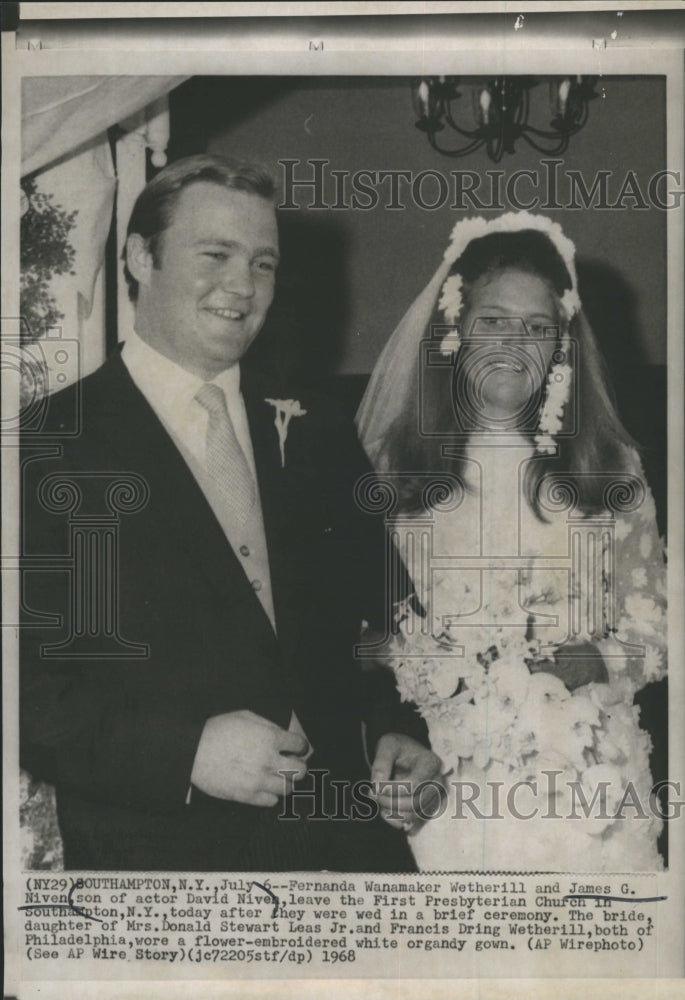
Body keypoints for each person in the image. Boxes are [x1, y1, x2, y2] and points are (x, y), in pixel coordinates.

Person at [20, 153, 441, 872]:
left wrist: (394, 730)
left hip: (347, 850)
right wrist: (185, 753)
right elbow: (20, 689)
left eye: (264, 263)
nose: (242, 286)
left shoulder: (317, 428)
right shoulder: (45, 445)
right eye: (215, 254)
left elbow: (378, 623)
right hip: (165, 864)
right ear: (140, 257)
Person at [356, 211, 667, 871]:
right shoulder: (390, 471)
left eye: (537, 328)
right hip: (444, 776)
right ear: (453, 328)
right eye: (491, 321)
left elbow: (659, 621)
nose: (512, 344)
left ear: (562, 343)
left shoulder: (609, 466)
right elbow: (356, 625)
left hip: (587, 780)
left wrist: (603, 657)